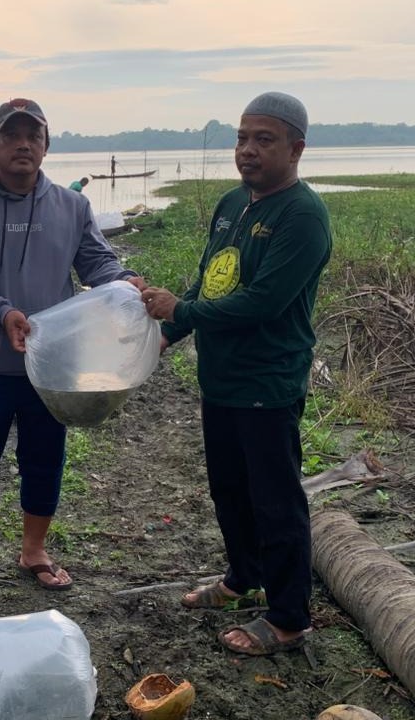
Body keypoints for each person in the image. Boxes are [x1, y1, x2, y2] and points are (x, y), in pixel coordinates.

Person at [0, 98, 144, 601]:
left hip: (53, 369)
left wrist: (126, 283)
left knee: (45, 460)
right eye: (12, 135)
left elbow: (98, 264)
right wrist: (2, 312)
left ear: (46, 146)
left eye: (34, 135)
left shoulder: (71, 207)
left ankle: (34, 551)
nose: (23, 144)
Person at [140, 92, 331, 655]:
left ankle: (290, 618)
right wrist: (166, 335)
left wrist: (181, 311)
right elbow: (211, 282)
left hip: (267, 384)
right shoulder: (232, 203)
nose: (247, 150)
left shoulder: (303, 216)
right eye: (242, 138)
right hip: (221, 381)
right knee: (229, 490)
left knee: (276, 501)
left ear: (296, 148)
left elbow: (263, 302)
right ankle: (241, 576)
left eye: (263, 140)